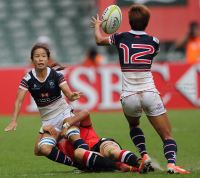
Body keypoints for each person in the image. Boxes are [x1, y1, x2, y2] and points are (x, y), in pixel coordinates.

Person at [90, 5, 189, 174]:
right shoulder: (154, 42)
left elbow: (99, 41)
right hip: (149, 93)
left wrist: (99, 27)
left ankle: (144, 155)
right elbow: (152, 55)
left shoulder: (119, 36)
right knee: (166, 135)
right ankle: (171, 163)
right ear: (147, 22)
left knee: (134, 125)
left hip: (129, 95)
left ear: (128, 21)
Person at [4, 43, 89, 169]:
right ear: (32, 59)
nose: (40, 59)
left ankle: (89, 158)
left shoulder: (56, 75)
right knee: (43, 148)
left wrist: (72, 96)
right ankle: (78, 165)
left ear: (48, 58)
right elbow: (19, 101)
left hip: (64, 112)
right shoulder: (27, 79)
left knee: (71, 134)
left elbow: (67, 93)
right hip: (48, 121)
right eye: (37, 56)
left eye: (43, 56)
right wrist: (13, 121)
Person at [34, 110, 148, 173]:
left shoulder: (83, 126)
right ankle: (121, 166)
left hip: (100, 145)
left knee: (110, 151)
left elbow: (86, 113)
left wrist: (66, 125)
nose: (71, 118)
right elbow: (38, 151)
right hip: (88, 159)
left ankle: (139, 162)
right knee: (79, 152)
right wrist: (41, 130)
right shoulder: (59, 146)